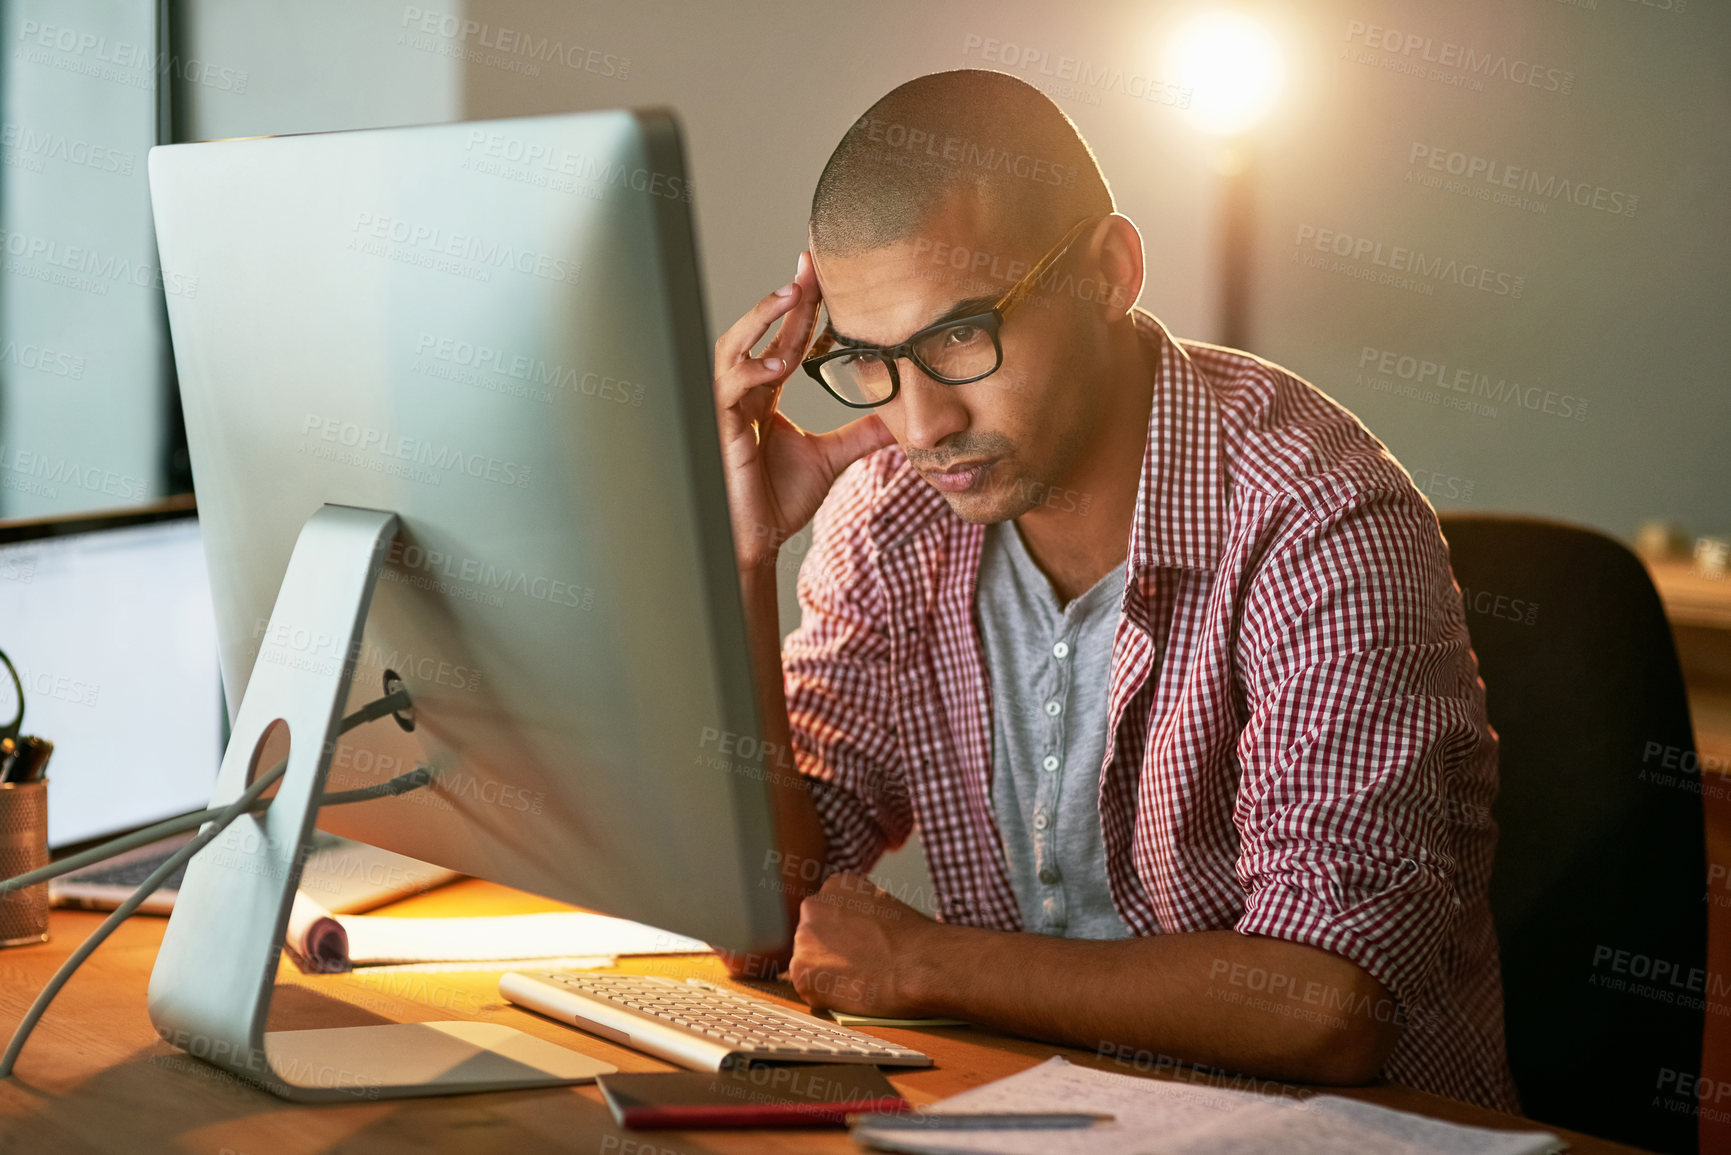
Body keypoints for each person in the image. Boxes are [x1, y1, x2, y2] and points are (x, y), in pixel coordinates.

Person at [711, 69, 1516, 1112]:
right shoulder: (892, 509)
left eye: (959, 337)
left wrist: (928, 966)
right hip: (1041, 1115)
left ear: (1108, 271)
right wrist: (743, 559)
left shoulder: (1319, 520)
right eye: (869, 361)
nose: (918, 429)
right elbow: (764, 915)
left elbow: (1329, 1004)